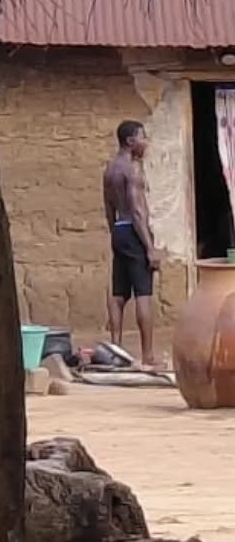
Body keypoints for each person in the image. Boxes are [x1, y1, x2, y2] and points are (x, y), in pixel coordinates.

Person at [103, 120, 159, 367]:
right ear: (130, 141)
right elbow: (137, 211)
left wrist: (114, 234)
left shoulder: (109, 170)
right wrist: (149, 247)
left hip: (119, 229)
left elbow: (108, 208)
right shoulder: (132, 170)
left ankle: (115, 349)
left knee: (118, 293)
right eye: (142, 137)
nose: (145, 143)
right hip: (134, 232)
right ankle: (148, 356)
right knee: (143, 294)